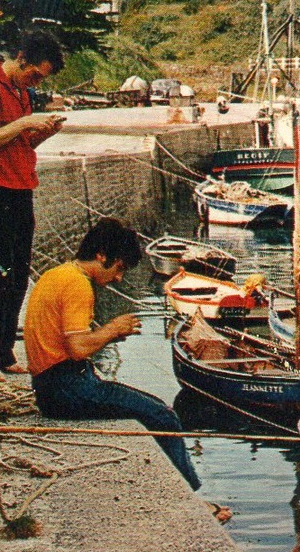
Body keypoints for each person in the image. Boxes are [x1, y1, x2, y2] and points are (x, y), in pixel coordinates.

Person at [24, 218, 228, 519]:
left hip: (50, 386)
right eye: (119, 268)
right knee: (162, 414)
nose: (119, 278)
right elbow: (78, 348)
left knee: (153, 409)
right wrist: (112, 330)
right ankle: (192, 501)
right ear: (101, 256)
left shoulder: (55, 274)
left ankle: (184, 492)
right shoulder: (78, 285)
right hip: (67, 389)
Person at [0, 28, 67, 374]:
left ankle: (4, 351)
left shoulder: (21, 91)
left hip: (20, 187)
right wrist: (25, 121)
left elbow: (19, 146)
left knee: (19, 273)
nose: (34, 82)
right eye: (35, 74)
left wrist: (43, 133)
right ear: (22, 59)